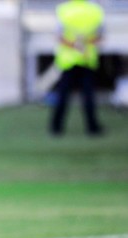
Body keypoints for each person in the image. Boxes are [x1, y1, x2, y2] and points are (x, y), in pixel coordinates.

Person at [50, 0, 104, 136]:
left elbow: (59, 35)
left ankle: (56, 128)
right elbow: (100, 36)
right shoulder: (95, 10)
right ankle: (92, 128)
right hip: (87, 58)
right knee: (88, 96)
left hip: (68, 60)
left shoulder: (63, 10)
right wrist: (84, 44)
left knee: (63, 95)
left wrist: (74, 45)